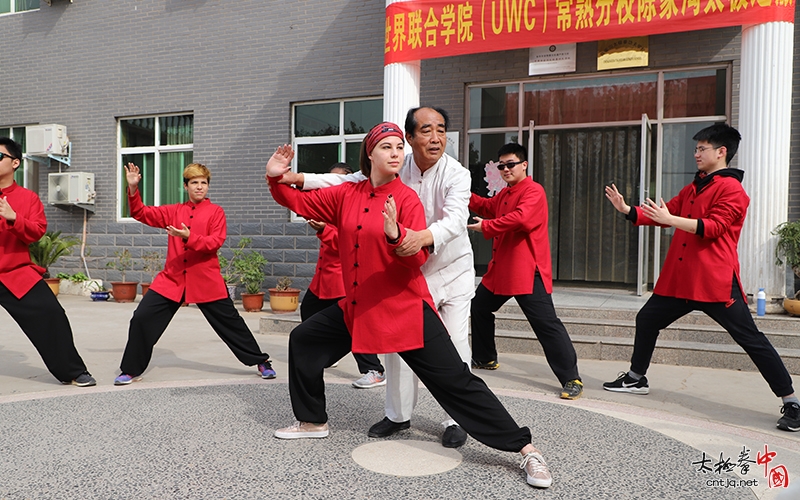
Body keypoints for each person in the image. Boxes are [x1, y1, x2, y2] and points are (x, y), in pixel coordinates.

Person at [265, 123, 553, 489]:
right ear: (370, 154)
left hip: (405, 310)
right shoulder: (346, 194)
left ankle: (526, 449)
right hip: (360, 306)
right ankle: (312, 421)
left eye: (399, 147)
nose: (396, 153)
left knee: (457, 382)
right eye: (387, 147)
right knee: (304, 339)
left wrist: (396, 235)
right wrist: (275, 178)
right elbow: (298, 201)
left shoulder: (406, 199)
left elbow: (417, 258)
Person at [281, 107, 475, 448]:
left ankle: (456, 419)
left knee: (456, 344)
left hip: (450, 268)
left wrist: (418, 238)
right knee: (396, 346)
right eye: (426, 131)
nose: (435, 138)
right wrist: (297, 178)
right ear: (410, 137)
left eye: (441, 130)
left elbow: (457, 220)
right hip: (408, 271)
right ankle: (398, 415)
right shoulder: (396, 163)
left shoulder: (457, 174)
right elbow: (346, 182)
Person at [603, 123, 799, 432]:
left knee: (750, 339)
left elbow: (714, 227)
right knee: (647, 319)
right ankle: (636, 378)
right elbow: (665, 213)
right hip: (680, 280)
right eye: (696, 148)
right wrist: (628, 209)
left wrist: (671, 219)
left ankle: (791, 401)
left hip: (714, 282)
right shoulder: (693, 187)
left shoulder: (732, 190)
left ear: (722, 152)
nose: (696, 154)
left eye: (701, 148)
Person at [114, 162, 276, 385]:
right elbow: (140, 212)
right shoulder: (173, 211)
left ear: (208, 186)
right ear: (185, 186)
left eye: (203, 183)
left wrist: (188, 237)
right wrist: (133, 187)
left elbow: (214, 242)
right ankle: (131, 370)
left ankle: (261, 362)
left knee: (232, 324)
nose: (199, 187)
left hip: (206, 280)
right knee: (142, 318)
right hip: (172, 280)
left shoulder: (216, 212)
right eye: (194, 182)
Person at [468, 142, 583, 400]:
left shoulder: (533, 191)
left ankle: (571, 378)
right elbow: (486, 206)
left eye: (511, 164)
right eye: (501, 166)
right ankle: (485, 358)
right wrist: (460, 192)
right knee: (479, 307)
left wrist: (486, 227)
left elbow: (520, 218)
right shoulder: (505, 193)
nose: (506, 169)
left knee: (546, 325)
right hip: (501, 270)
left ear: (524, 165)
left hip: (527, 271)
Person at [0, 137, 96, 387]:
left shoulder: (28, 198)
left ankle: (73, 371)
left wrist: (13, 217)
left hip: (13, 273)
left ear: (15, 163)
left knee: (52, 314)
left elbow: (37, 232)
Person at [301, 163, 387, 389]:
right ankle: (327, 353)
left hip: (343, 279)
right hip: (322, 280)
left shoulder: (355, 208)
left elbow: (348, 244)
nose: (330, 185)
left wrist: (324, 230)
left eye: (336, 180)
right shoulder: (330, 205)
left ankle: (374, 369)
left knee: (355, 326)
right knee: (308, 311)